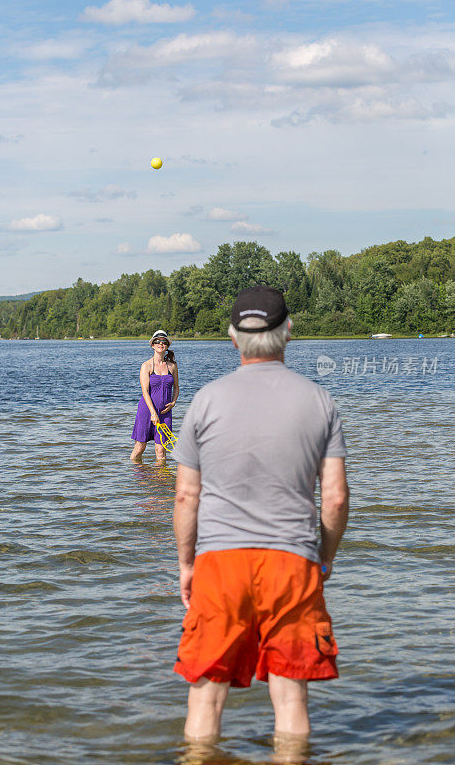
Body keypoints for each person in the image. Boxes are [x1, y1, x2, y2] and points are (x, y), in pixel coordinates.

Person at [172, 285, 349, 750]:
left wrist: (187, 566)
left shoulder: (205, 401)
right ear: (288, 331)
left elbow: (186, 496)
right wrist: (323, 560)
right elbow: (334, 499)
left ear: (233, 338)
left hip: (219, 564)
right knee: (291, 700)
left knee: (205, 698)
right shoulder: (319, 401)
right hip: (292, 562)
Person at [130, 329, 179, 463]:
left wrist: (173, 402)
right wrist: (153, 413)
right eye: (157, 341)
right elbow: (145, 391)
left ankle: (161, 482)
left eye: (164, 342)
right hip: (146, 411)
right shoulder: (146, 366)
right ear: (152, 345)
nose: (160, 344)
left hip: (165, 412)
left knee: (161, 450)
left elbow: (176, 387)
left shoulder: (172, 366)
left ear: (167, 345)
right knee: (140, 447)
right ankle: (135, 477)